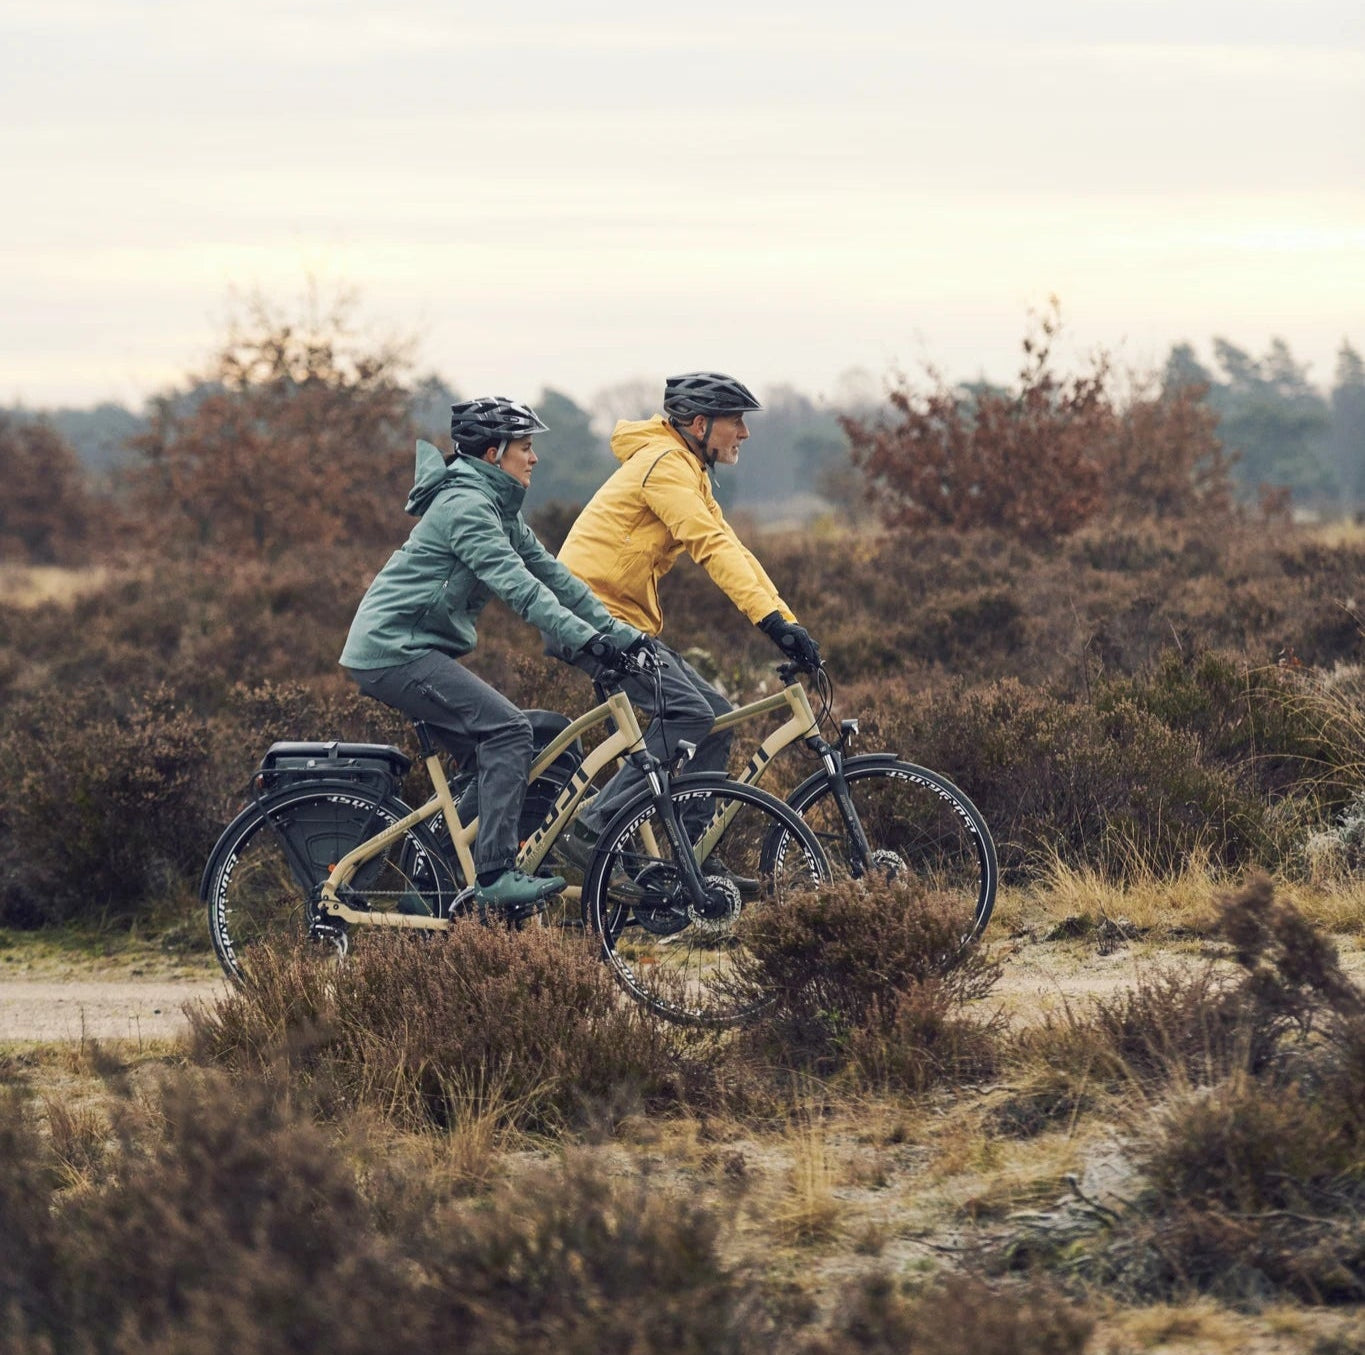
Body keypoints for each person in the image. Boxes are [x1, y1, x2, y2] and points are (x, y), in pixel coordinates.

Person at [340, 396, 650, 918]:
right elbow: (519, 589)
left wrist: (621, 635)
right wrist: (586, 642)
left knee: (518, 742)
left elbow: (553, 578)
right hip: (392, 651)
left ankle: (430, 889)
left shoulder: (495, 504)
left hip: (413, 647)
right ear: (492, 454)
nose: (534, 458)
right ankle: (495, 873)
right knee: (508, 732)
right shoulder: (467, 508)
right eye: (525, 448)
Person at [550, 371, 822, 870]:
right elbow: (710, 548)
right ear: (699, 424)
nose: (744, 433)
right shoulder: (664, 465)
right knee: (689, 715)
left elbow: (732, 546)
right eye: (735, 422)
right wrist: (770, 624)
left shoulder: (685, 467)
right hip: (589, 618)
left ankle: (688, 860)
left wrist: (787, 621)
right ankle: (593, 827)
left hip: (618, 621)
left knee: (713, 717)